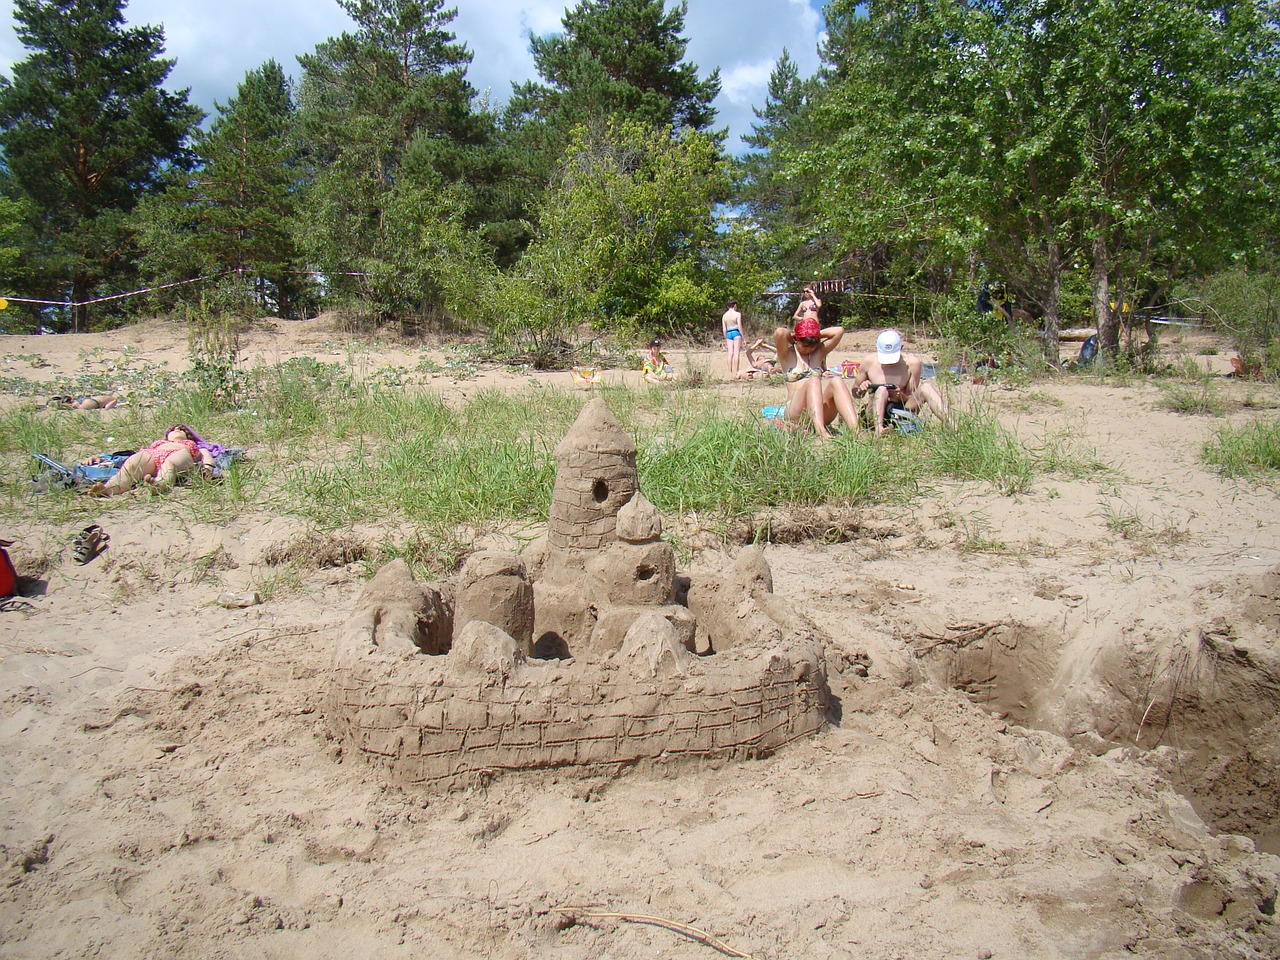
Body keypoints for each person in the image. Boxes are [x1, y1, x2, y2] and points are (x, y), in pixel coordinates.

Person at [773, 317, 862, 439]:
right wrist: (797, 335)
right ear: (797, 340)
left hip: (818, 411)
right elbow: (780, 332)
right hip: (795, 411)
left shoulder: (819, 353)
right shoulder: (787, 355)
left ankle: (855, 430)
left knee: (837, 381)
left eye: (812, 346)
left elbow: (839, 331)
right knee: (813, 380)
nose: (808, 349)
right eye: (804, 345)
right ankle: (820, 430)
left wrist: (813, 333)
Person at [853, 329, 949, 435]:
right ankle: (879, 429)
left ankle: (952, 426)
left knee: (926, 387)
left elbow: (911, 396)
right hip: (875, 410)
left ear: (901, 348)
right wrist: (861, 390)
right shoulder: (869, 362)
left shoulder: (912, 363)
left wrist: (900, 396)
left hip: (902, 408)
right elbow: (855, 392)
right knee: (882, 389)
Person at [85, 424, 215, 497]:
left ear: (188, 435)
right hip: (152, 454)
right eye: (173, 429)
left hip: (179, 453)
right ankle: (109, 489)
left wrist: (207, 468)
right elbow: (123, 457)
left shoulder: (192, 446)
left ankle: (160, 484)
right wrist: (101, 459)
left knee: (169, 466)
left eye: (181, 430)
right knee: (130, 466)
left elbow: (206, 456)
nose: (177, 430)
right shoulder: (158, 443)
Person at [722, 300, 743, 378]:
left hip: (728, 333)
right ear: (734, 305)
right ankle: (737, 370)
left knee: (730, 353)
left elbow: (724, 328)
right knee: (736, 352)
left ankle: (729, 370)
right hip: (736, 332)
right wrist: (743, 337)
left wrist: (725, 337)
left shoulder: (724, 316)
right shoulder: (737, 314)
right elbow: (739, 326)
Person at [49, 394, 119, 410]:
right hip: (93, 402)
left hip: (86, 399)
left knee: (75, 405)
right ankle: (62, 406)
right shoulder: (114, 400)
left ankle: (61, 404)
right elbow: (107, 407)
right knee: (79, 407)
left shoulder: (105, 396)